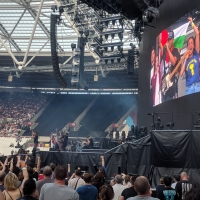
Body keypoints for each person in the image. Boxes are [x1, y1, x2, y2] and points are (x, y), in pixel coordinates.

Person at [180, 17, 200, 95]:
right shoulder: (186, 59)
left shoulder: (196, 54)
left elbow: (197, 34)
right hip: (188, 89)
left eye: (192, 43)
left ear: (194, 46)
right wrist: (185, 59)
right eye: (188, 44)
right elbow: (181, 73)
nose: (190, 45)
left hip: (198, 85)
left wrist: (192, 23)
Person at [159, 30, 180, 102]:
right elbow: (160, 43)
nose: (168, 41)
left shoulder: (175, 51)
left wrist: (167, 49)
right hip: (164, 86)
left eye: (170, 39)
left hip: (171, 85)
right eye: (168, 39)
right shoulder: (164, 51)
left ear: (173, 40)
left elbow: (174, 62)